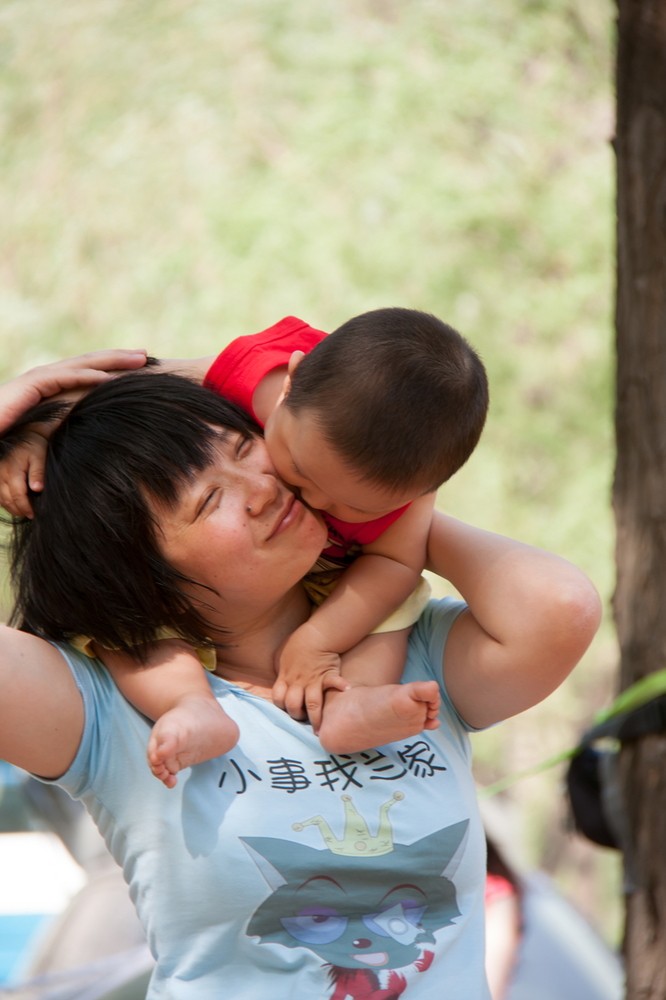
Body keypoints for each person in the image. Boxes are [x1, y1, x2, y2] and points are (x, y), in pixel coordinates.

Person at [0, 363, 600, 998]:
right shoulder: (111, 703)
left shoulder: (408, 649)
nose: (262, 487)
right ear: (137, 575)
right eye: (209, 501)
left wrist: (387, 506)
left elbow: (561, 609)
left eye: (244, 448)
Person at [0, 310, 489, 787]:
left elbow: (402, 566)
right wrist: (40, 416)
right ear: (291, 381)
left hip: (350, 597)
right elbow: (159, 378)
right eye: (209, 500)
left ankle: (352, 697)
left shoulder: (405, 500)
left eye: (352, 504)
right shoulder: (260, 374)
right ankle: (189, 704)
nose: (283, 492)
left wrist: (321, 637)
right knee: (134, 643)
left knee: (389, 606)